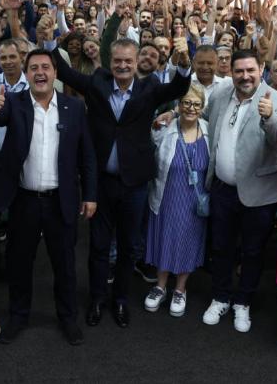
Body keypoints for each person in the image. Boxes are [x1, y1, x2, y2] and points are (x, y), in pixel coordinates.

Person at [55, 31, 191, 330]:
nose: (123, 66)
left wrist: (183, 65)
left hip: (134, 183)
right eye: (117, 61)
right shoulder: (96, 83)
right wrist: (51, 40)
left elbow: (180, 87)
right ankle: (96, 299)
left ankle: (119, 300)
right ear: (110, 62)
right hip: (101, 181)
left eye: (128, 61)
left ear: (136, 62)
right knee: (99, 246)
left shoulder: (149, 88)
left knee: (129, 247)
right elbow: (64, 71)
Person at [0, 48, 97, 346]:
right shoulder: (14, 102)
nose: (40, 73)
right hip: (24, 200)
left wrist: (91, 195)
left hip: (62, 200)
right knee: (20, 263)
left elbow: (87, 156)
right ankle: (18, 316)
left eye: (46, 67)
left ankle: (67, 318)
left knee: (65, 264)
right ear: (27, 73)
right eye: (34, 68)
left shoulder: (74, 107)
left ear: (56, 73)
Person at [201, 50, 277, 333]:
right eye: (239, 71)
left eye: (250, 70)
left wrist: (269, 119)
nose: (245, 76)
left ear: (261, 68)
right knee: (221, 247)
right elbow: (202, 118)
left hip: (260, 193)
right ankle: (221, 297)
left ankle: (243, 302)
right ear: (231, 72)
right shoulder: (220, 95)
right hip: (222, 189)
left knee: (253, 251)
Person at [143, 85, 210, 318]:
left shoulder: (210, 131)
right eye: (186, 103)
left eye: (196, 104)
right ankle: (160, 286)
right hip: (167, 195)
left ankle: (180, 289)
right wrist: (164, 117)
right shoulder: (165, 128)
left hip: (196, 201)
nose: (191, 108)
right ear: (178, 106)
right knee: (165, 237)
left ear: (202, 108)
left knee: (188, 241)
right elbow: (148, 141)